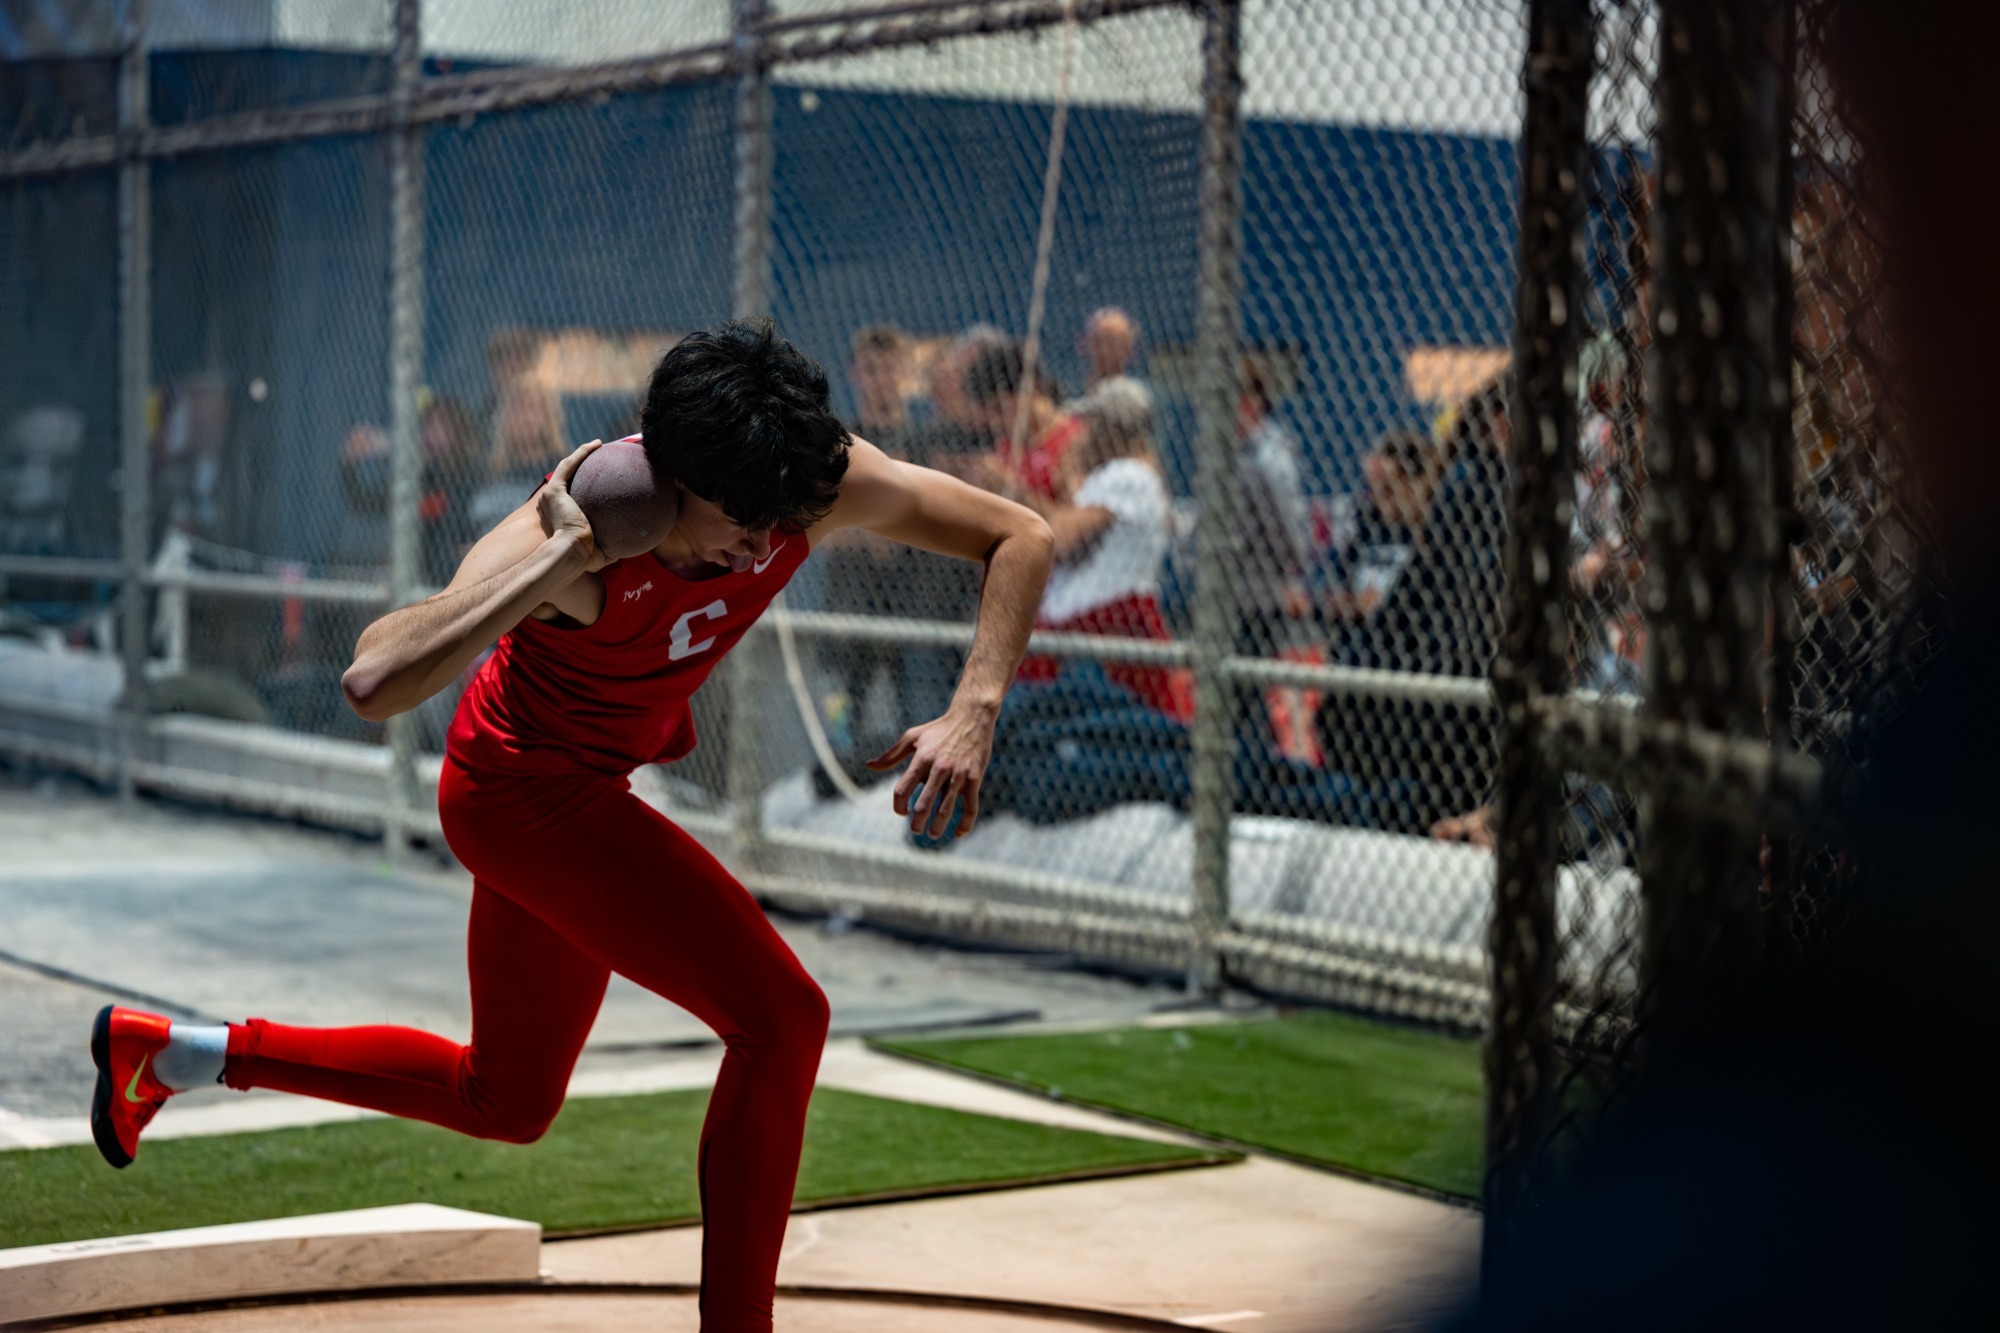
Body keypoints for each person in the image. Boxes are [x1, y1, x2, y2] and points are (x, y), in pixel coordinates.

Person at [86, 321, 1055, 1333]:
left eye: (782, 524)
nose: (765, 551)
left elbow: (1016, 533)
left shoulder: (798, 479)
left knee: (502, 1099)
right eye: (742, 525)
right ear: (673, 480)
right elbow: (371, 678)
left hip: (580, 787)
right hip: (522, 797)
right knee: (782, 1019)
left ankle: (175, 1054)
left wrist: (974, 703)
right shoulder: (577, 537)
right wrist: (546, 568)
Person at [1017, 380, 1194, 720]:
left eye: (1092, 425)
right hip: (1090, 619)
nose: (1080, 434)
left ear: (1110, 429)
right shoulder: (1111, 476)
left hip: (1109, 619)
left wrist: (1038, 488)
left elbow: (1060, 538)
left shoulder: (1128, 473)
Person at [962, 337, 1086, 503]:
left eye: (999, 409)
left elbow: (1072, 519)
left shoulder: (1073, 441)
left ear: (1030, 389)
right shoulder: (1007, 446)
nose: (995, 423)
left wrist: (1014, 491)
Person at [1078, 306, 1153, 409]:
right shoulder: (1081, 392)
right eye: (1098, 342)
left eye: (1113, 344)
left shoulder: (1131, 394)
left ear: (1128, 350)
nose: (1104, 351)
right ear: (1085, 344)